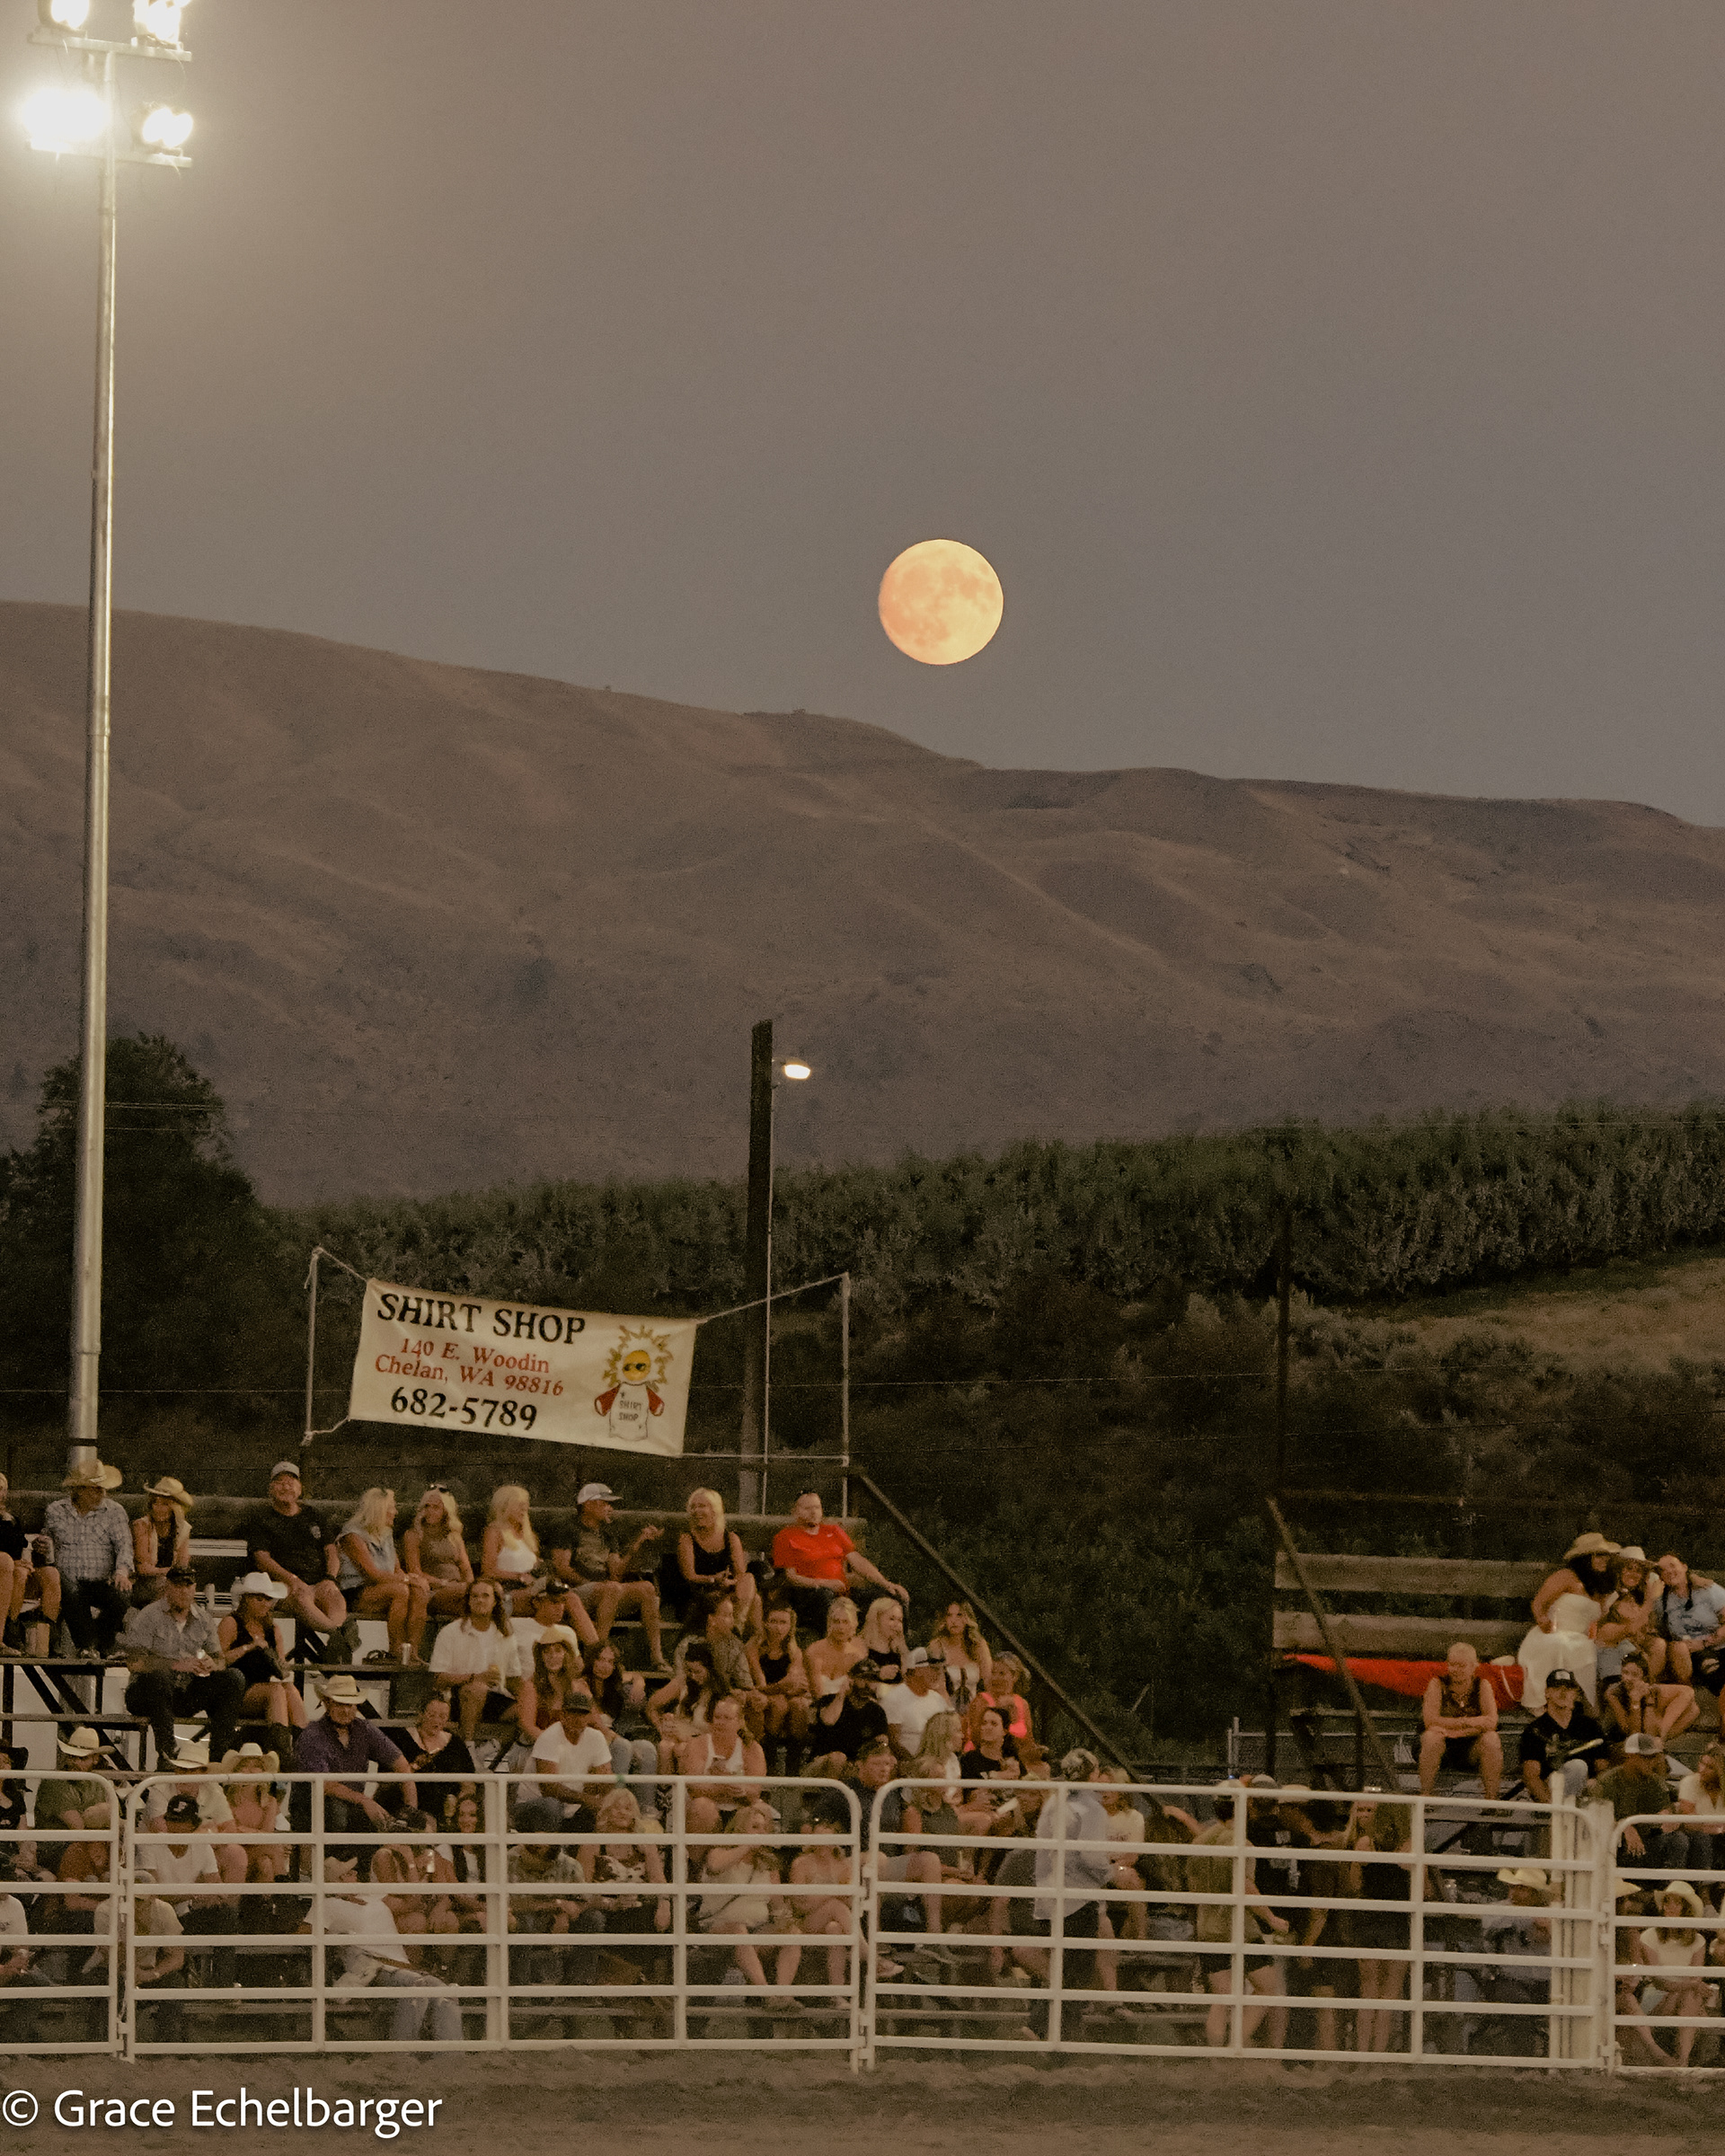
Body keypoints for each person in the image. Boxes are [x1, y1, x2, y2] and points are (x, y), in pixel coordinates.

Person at [307, 1851, 463, 2043]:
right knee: (416, 1986)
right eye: (348, 1873)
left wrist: (410, 1862)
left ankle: (450, 2056)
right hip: (374, 1966)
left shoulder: (371, 1894)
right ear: (335, 1882)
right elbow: (305, 1935)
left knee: (446, 1994)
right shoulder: (327, 1905)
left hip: (399, 1966)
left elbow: (412, 1902)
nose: (355, 1873)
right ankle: (400, 2053)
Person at [1187, 1781, 1290, 2048]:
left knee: (1222, 1996)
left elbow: (1193, 1886)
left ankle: (1217, 2056)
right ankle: (1238, 2042)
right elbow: (1244, 1885)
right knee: (1268, 1986)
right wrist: (1270, 1918)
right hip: (1238, 1926)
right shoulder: (1240, 1843)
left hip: (1207, 1925)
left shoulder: (1200, 1841)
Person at [122, 1563, 246, 1767]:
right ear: (167, 1587)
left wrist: (212, 1664)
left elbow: (220, 1659)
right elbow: (134, 1662)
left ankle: (219, 1756)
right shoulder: (148, 1615)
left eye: (188, 1585)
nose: (183, 1591)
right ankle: (167, 1754)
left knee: (233, 1678)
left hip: (183, 1692)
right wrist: (175, 1665)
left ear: (195, 1588)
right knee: (159, 1678)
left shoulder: (203, 1618)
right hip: (145, 1693)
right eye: (178, 1585)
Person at [551, 1483, 668, 1670]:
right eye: (605, 1503)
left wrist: (640, 1541)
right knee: (611, 1589)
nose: (610, 1508)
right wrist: (593, 1584)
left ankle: (657, 1657)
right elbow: (562, 1568)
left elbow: (616, 1573)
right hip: (577, 1592)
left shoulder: (608, 1535)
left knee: (647, 1588)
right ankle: (597, 1653)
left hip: (607, 1591)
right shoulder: (568, 1529)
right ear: (588, 1505)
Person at [133, 1793, 236, 1986]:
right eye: (171, 1820)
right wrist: (196, 1893)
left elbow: (216, 1886)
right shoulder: (150, 1844)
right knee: (161, 1912)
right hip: (155, 1920)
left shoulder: (202, 1846)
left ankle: (222, 1985)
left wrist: (213, 1897)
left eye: (181, 1821)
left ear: (193, 1825)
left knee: (225, 1914)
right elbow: (152, 1895)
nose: (175, 1826)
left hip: (184, 1917)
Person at [296, 1674, 419, 1833]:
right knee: (337, 1811)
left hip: (355, 1805)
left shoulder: (364, 1729)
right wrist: (365, 1801)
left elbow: (401, 1765)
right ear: (327, 1703)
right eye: (340, 1704)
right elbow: (325, 1785)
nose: (346, 1710)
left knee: (416, 1819)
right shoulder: (313, 1735)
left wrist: (410, 1810)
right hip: (313, 1809)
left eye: (350, 1704)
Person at [770, 1490, 907, 1631]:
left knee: (891, 1597)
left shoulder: (834, 1531)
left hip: (843, 1593)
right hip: (810, 1594)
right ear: (795, 1512)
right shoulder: (785, 1536)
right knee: (825, 1595)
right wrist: (824, 1583)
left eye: (817, 1507)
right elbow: (791, 1577)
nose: (813, 1512)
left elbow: (858, 1562)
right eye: (807, 1508)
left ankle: (899, 1642)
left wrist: (886, 1584)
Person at [246, 1461, 348, 1652]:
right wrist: (292, 1579)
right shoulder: (262, 1520)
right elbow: (262, 1559)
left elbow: (331, 1551)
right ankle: (338, 1635)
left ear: (300, 1488)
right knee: (301, 1597)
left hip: (318, 1582)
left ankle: (337, 1635)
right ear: (271, 1488)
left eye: (291, 1482)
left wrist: (330, 1578)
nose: (286, 1487)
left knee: (334, 1595)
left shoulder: (314, 1515)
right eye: (280, 1482)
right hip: (283, 1585)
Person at [481, 1485, 595, 1643]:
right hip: (510, 1590)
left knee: (567, 1599)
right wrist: (519, 1576)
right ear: (505, 1506)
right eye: (519, 1505)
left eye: (525, 1505)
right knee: (569, 1599)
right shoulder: (494, 1532)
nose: (524, 1509)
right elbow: (488, 1570)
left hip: (535, 1587)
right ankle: (596, 1648)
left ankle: (591, 1647)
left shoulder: (528, 1536)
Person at [45, 1459, 132, 1659]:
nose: (102, 1494)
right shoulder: (56, 1511)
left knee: (123, 1594)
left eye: (103, 1489)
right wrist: (42, 1546)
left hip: (103, 1580)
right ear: (79, 1490)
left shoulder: (115, 1511)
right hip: (69, 1580)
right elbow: (48, 1542)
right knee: (68, 1588)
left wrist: (122, 1571)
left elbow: (124, 1545)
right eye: (96, 1489)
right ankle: (89, 1646)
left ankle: (97, 1644)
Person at [337, 1488, 430, 1668]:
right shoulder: (353, 1536)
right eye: (392, 1508)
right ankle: (395, 1650)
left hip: (385, 1588)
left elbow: (396, 1570)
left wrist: (412, 1579)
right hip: (357, 1591)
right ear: (379, 1510)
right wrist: (407, 1580)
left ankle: (412, 1652)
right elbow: (372, 1574)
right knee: (400, 1590)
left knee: (419, 1592)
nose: (395, 1512)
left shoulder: (386, 1533)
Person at [427, 1577, 526, 1747]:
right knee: (477, 1689)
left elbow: (514, 1680)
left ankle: (503, 1750)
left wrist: (532, 1694)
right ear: (469, 1601)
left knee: (533, 1703)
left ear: (495, 1602)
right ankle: (468, 1747)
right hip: (458, 1697)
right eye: (474, 1596)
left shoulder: (504, 1634)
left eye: (485, 1596)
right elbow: (438, 1679)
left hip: (496, 1698)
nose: (480, 1600)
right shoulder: (451, 1632)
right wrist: (475, 1677)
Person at [216, 1569, 304, 1759]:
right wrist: (249, 1647)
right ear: (246, 1599)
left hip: (263, 1689)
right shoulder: (231, 1623)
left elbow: (282, 1665)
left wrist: (279, 1664)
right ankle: (282, 1753)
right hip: (234, 1691)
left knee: (289, 1689)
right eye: (259, 1599)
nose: (265, 1604)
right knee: (276, 1691)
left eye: (268, 1599)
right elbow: (219, 1660)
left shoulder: (273, 1629)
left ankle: (302, 1748)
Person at [1350, 1797, 1414, 2053]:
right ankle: (1379, 2054)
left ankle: (1362, 2052)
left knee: (1368, 1992)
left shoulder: (1365, 1843)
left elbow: (1354, 1883)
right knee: (1389, 1996)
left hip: (1369, 1920)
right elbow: (1423, 1890)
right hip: (1397, 1921)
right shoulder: (1410, 1846)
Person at [1582, 1732, 1692, 1876]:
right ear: (1630, 1756)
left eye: (1654, 1757)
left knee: (1682, 1840)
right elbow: (1595, 1818)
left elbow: (1664, 1811)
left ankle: (1672, 1887)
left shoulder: (1655, 1782)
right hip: (1615, 1847)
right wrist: (1624, 1827)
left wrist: (1668, 1816)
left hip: (1647, 1842)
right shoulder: (1608, 1782)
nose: (1652, 1762)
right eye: (1646, 1757)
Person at [514, 1691, 615, 1836]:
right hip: (534, 1805)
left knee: (601, 1809)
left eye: (583, 1714)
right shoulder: (549, 1737)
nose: (577, 1718)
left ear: (589, 1717)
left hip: (572, 1805)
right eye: (572, 1713)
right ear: (562, 1715)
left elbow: (605, 1778)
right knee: (551, 1805)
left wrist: (601, 1786)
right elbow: (549, 1789)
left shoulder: (596, 1737)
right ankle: (550, 1848)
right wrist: (587, 1798)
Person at [370, 1810, 460, 1973]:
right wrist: (411, 1863)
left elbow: (444, 1891)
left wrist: (440, 1908)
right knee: (417, 1921)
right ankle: (414, 1973)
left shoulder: (428, 1854)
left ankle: (444, 1971)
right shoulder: (385, 1855)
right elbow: (407, 1897)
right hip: (393, 1912)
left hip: (417, 1906)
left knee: (449, 1919)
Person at [1418, 1641, 1503, 1798]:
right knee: (1431, 1737)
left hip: (1470, 1747)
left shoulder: (1482, 1685)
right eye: (1452, 1665)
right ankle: (1426, 1795)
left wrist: (1459, 1730)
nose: (1456, 1670)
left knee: (1491, 1739)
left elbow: (1491, 1722)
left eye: (1462, 1666)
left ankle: (1492, 1799)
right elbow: (1430, 1720)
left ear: (1473, 1666)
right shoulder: (1437, 1684)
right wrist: (1470, 1722)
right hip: (1441, 1744)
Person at [1518, 1668, 1606, 1804]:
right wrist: (1549, 1805)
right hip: (1552, 1792)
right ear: (1547, 1693)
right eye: (1557, 1687)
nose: (1563, 1692)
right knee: (1577, 1767)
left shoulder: (1590, 1726)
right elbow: (1532, 1777)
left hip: (1587, 1792)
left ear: (1575, 1694)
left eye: (1568, 1688)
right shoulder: (1535, 1730)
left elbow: (1602, 1768)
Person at [677, 1489, 758, 1630]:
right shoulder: (687, 1539)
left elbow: (740, 1574)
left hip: (726, 1589)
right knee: (754, 1601)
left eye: (702, 1506)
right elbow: (690, 1576)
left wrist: (729, 1582)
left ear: (715, 1511)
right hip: (701, 1592)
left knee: (750, 1582)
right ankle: (736, 1631)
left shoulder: (731, 1538)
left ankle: (738, 1628)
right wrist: (714, 1579)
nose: (696, 1511)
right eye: (693, 1507)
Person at [748, 1603, 812, 1773]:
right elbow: (760, 1685)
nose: (778, 1628)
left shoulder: (794, 1652)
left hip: (784, 1694)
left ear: (791, 1626)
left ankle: (793, 1767)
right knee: (779, 1704)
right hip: (762, 1693)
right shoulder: (754, 1649)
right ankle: (769, 1762)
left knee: (799, 1705)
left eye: (783, 1622)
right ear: (765, 1623)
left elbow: (795, 1684)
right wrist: (781, 1687)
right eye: (774, 1622)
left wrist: (789, 1687)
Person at [0, 1471, 59, 1654]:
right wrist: (15, 1563)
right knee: (10, 1566)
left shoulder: (11, 1520)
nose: (0, 1493)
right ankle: (5, 1635)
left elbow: (19, 1546)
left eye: (2, 1489)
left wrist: (28, 1558)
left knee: (50, 1574)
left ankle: (46, 1642)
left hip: (12, 1570)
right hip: (5, 1568)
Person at [395, 1694, 477, 1827]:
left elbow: (469, 1785)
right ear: (421, 1714)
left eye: (442, 1716)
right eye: (431, 1715)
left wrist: (458, 1802)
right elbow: (387, 1780)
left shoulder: (455, 1743)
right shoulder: (402, 1738)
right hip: (406, 1806)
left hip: (446, 1811)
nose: (437, 1720)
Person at [678, 1694, 765, 1817]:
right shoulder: (697, 1744)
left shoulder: (753, 1749)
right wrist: (726, 1786)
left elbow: (755, 1791)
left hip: (739, 1809)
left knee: (762, 1810)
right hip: (704, 1809)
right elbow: (694, 1788)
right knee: (702, 1806)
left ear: (740, 1722)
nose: (720, 1723)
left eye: (727, 1718)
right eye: (717, 1717)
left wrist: (740, 1789)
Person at [584, 1639, 658, 1781]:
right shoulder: (582, 1684)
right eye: (600, 1660)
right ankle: (617, 1793)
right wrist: (619, 1739)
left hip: (613, 1738)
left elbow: (635, 1676)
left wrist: (638, 1685)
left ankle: (647, 1797)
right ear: (591, 1660)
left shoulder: (612, 1683)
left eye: (610, 1662)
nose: (605, 1666)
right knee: (623, 1746)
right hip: (593, 1739)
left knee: (646, 1748)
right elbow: (598, 1724)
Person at [1602, 1648, 1697, 1754]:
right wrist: (1635, 1703)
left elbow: (1688, 1692)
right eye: (1625, 1672)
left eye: (1635, 1675)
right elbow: (1632, 1732)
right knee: (1692, 1709)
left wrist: (1649, 1698)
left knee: (1694, 1709)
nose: (1628, 1678)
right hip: (1621, 1737)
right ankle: (1659, 1740)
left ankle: (1661, 1739)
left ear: (1644, 1678)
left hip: (1647, 1731)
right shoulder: (1613, 1693)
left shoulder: (1648, 1688)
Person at [400, 1485, 474, 1619]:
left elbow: (466, 1568)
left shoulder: (454, 1536)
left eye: (436, 1507)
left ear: (446, 1511)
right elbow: (415, 1572)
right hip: (433, 1590)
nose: (430, 1511)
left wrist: (472, 1586)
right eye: (427, 1506)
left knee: (484, 1596)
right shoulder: (414, 1535)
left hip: (459, 1589)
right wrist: (444, 1583)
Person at [1657, 1554, 1725, 1695]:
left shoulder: (1707, 1589)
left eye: (1672, 1565)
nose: (1668, 1571)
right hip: (1691, 1653)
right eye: (1663, 1570)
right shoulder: (1661, 1600)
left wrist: (1705, 1643)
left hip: (1719, 1644)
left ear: (1684, 1567)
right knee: (1710, 1666)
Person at [809, 1657, 890, 1775]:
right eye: (863, 1678)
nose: (868, 1684)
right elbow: (828, 1720)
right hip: (822, 1762)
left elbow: (882, 1742)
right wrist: (841, 1694)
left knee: (890, 1762)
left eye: (873, 1680)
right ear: (851, 1679)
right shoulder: (829, 1700)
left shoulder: (877, 1711)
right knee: (838, 1758)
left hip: (856, 1765)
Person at [1597, 1548, 1668, 1682]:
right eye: (1629, 1568)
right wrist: (1651, 1598)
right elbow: (1631, 1627)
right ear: (1619, 1570)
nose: (1634, 1574)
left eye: (1638, 1571)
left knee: (1659, 1645)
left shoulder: (1636, 1595)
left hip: (1636, 1644)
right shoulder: (1611, 1595)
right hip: (1614, 1647)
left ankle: (1645, 1685)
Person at [129, 1477, 193, 1606]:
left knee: (183, 1591)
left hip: (171, 1582)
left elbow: (183, 1563)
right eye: (155, 1503)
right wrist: (170, 1572)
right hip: (143, 1584)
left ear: (175, 1507)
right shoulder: (142, 1526)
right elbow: (143, 1568)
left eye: (165, 1504)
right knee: (167, 1589)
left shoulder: (183, 1529)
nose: (158, 1508)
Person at [881, 1646, 951, 1762]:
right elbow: (893, 1743)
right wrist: (916, 1764)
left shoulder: (938, 1699)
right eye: (934, 1669)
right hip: (908, 1763)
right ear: (917, 1670)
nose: (939, 1674)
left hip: (937, 1762)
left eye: (941, 1669)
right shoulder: (895, 1699)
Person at [928, 1602, 992, 1712]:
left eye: (959, 1615)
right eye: (949, 1615)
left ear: (967, 1619)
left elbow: (989, 1682)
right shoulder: (937, 1645)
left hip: (974, 1710)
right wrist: (952, 1713)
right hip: (944, 1709)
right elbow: (936, 1685)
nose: (954, 1620)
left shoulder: (979, 1645)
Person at [526, 1625, 584, 1734]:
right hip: (538, 1741)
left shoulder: (578, 1686)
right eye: (546, 1651)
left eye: (558, 1650)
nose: (552, 1656)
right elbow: (528, 1727)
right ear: (541, 1656)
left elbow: (592, 1722)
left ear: (566, 1653)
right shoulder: (531, 1686)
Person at [1676, 1743, 1725, 1870]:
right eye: (1702, 1763)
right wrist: (1715, 1828)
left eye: (1710, 1767)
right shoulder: (1689, 1782)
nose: (1702, 1770)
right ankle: (1704, 1881)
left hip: (1721, 1835)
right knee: (1702, 1839)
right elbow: (1689, 1821)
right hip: (1697, 1835)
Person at [859, 1595, 909, 1684]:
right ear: (877, 1619)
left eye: (900, 1620)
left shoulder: (900, 1652)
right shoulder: (860, 1648)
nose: (897, 1624)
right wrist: (878, 1675)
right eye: (892, 1619)